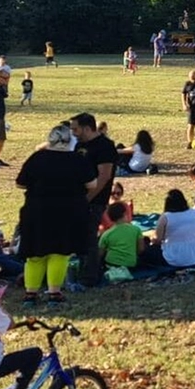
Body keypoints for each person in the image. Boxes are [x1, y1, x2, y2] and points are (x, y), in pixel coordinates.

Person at [15, 124, 96, 306]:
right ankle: (54, 293)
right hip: (67, 211)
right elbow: (92, 184)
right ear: (70, 141)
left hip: (37, 211)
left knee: (35, 255)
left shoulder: (37, 158)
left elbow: (20, 183)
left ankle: (31, 294)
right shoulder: (77, 160)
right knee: (60, 252)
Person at [70, 113, 117, 289]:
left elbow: (104, 177)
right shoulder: (80, 144)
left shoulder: (104, 146)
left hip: (94, 200)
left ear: (88, 128)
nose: (73, 133)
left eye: (76, 129)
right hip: (77, 197)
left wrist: (87, 199)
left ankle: (89, 278)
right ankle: (82, 270)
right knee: (80, 236)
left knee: (89, 238)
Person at [151, 190, 195, 269]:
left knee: (148, 252)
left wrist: (152, 238)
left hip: (179, 259)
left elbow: (157, 240)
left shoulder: (166, 217)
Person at [97, 203, 144, 273]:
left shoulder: (106, 234)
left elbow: (100, 253)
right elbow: (141, 249)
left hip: (111, 264)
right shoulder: (136, 229)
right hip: (130, 265)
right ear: (125, 213)